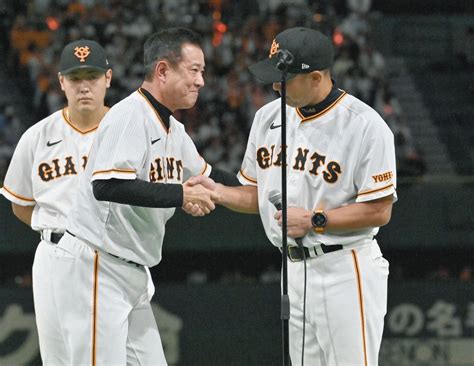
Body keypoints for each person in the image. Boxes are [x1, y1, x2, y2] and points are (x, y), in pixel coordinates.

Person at [190, 27, 397, 365]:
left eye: (283, 78)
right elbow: (258, 195)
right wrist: (222, 193)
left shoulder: (365, 126)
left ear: (316, 78)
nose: (274, 85)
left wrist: (317, 220)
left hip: (345, 266)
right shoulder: (267, 118)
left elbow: (379, 210)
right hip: (293, 269)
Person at [50, 28, 221, 365]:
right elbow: (107, 186)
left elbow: (207, 176)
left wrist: (253, 186)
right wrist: (179, 195)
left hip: (130, 269)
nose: (201, 81)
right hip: (96, 263)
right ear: (162, 70)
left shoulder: (173, 128)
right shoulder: (131, 115)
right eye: (194, 70)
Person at [0, 39, 112, 364]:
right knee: (58, 357)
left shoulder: (127, 130)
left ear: (108, 77)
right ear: (61, 82)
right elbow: (20, 204)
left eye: (91, 77)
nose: (84, 87)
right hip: (54, 254)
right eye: (75, 79)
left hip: (112, 253)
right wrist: (56, 230)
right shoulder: (37, 136)